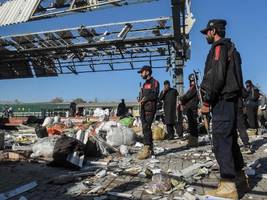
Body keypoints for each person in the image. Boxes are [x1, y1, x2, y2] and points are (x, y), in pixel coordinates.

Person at [200, 19, 245, 199]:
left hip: (222, 100)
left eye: (207, 32)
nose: (205, 36)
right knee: (230, 139)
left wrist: (207, 101)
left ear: (213, 31)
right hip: (232, 100)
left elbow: (217, 77)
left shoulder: (219, 47)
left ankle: (228, 185)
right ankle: (240, 178)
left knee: (221, 141)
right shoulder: (232, 48)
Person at [137, 65, 159, 160]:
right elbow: (143, 95)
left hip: (150, 108)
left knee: (146, 128)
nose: (141, 74)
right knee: (145, 128)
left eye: (142, 72)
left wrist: (145, 99)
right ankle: (150, 149)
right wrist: (140, 98)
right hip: (143, 108)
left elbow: (154, 94)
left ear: (147, 72)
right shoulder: (144, 84)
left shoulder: (155, 82)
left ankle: (146, 148)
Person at [179, 74, 199, 147]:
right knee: (191, 125)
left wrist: (181, 99)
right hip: (190, 108)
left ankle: (194, 141)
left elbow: (187, 96)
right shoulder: (192, 88)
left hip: (192, 108)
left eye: (193, 81)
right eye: (191, 81)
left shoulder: (194, 88)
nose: (192, 82)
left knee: (193, 125)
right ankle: (192, 141)